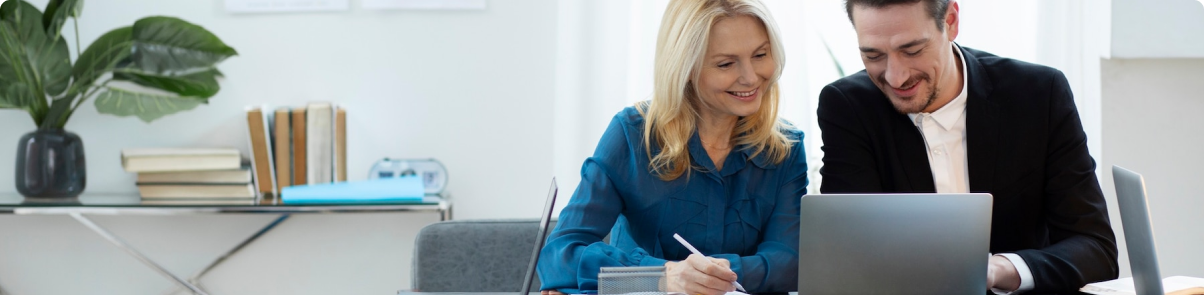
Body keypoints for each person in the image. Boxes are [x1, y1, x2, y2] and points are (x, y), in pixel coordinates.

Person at [817, 0, 1118, 293]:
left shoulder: (1038, 94)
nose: (896, 76)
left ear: (950, 21)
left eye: (912, 50)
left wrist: (999, 270)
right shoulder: (847, 108)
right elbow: (850, 257)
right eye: (873, 56)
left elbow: (1095, 249)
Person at [536, 1, 807, 295]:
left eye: (760, 55)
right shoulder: (633, 134)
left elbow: (790, 264)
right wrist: (664, 275)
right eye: (726, 64)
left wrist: (701, 277)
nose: (752, 77)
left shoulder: (785, 147)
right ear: (685, 67)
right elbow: (558, 257)